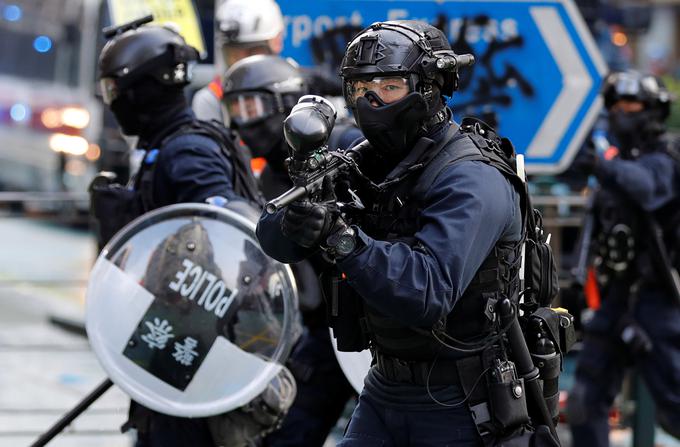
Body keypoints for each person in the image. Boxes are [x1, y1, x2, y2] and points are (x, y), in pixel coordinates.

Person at [256, 20, 529, 446]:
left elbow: (427, 292)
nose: (370, 101)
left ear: (429, 88)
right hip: (384, 385)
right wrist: (301, 214)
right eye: (360, 88)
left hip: (461, 396)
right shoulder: (369, 161)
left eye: (389, 86)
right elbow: (273, 240)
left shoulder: (472, 178)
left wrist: (339, 237)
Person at [91, 18, 295, 447]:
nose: (112, 102)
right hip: (173, 337)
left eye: (114, 89)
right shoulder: (165, 144)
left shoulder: (188, 149)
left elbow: (231, 238)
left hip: (198, 343)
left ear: (143, 89)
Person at [221, 54, 359, 446]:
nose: (246, 120)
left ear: (287, 101)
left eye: (254, 105)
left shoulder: (345, 145)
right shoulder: (270, 177)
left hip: (373, 315)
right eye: (237, 109)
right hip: (319, 327)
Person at [567, 70, 680, 446]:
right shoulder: (611, 163)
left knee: (675, 409)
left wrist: (601, 166)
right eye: (615, 105)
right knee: (584, 403)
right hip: (614, 298)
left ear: (652, 110)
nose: (622, 112)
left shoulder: (666, 157)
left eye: (631, 105)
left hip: (656, 300)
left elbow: (647, 189)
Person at [192, 0, 284, 122]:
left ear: (276, 41)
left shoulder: (298, 90)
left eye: (252, 51)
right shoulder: (212, 98)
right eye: (232, 53)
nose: (240, 63)